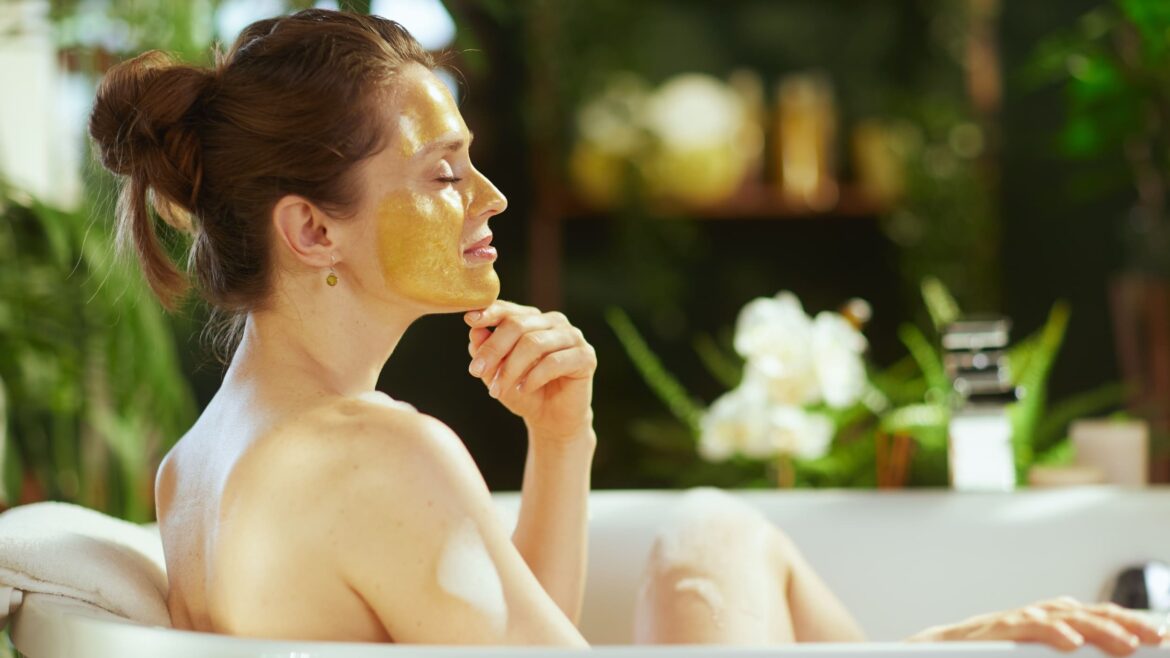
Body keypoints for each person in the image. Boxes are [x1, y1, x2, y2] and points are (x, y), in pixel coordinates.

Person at [87, 8, 1162, 654]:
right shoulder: (375, 452)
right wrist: (933, 650)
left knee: (713, 532)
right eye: (444, 172)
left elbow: (509, 636)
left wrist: (562, 439)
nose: (491, 198)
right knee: (713, 536)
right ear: (312, 227)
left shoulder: (198, 464)